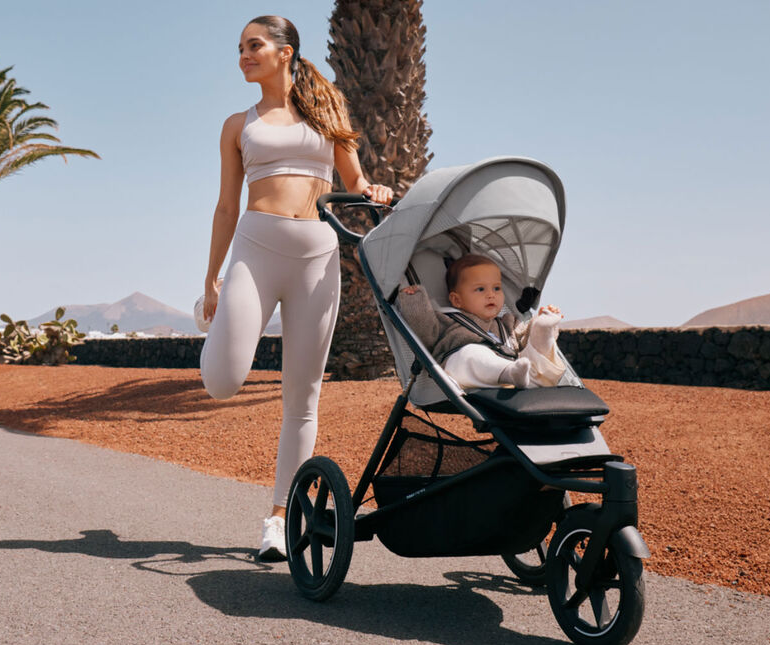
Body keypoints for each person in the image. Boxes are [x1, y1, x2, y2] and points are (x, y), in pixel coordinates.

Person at [197, 15, 394, 562]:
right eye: (239, 47)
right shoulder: (237, 125)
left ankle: (279, 519)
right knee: (221, 381)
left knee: (302, 399)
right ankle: (214, 327)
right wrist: (211, 279)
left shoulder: (326, 112)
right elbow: (225, 207)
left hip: (317, 255)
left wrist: (371, 189)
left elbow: (354, 183)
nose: (243, 55)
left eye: (253, 45)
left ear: (285, 52)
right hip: (255, 250)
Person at [396, 253, 569, 390]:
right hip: (462, 370)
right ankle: (509, 373)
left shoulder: (507, 323)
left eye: (496, 288)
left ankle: (543, 330)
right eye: (480, 289)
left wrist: (535, 326)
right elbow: (424, 330)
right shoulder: (447, 320)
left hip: (520, 370)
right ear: (457, 300)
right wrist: (415, 300)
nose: (491, 294)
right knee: (470, 354)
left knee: (535, 344)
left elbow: (523, 339)